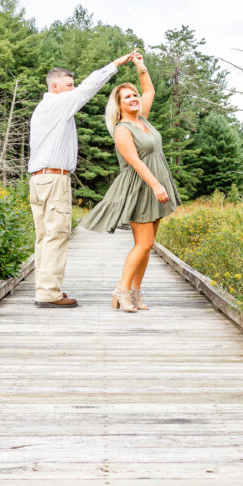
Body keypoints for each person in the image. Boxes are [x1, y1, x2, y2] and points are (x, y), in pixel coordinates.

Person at [28, 50, 136, 308]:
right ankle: (48, 293)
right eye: (69, 85)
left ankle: (45, 288)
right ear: (55, 87)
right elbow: (89, 87)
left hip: (39, 179)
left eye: (72, 85)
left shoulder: (44, 108)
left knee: (44, 237)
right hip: (54, 179)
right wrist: (115, 64)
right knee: (57, 234)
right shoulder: (58, 103)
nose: (73, 89)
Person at [78, 51, 181, 312]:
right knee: (143, 244)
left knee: (148, 245)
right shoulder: (122, 129)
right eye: (127, 97)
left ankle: (135, 293)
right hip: (139, 188)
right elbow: (135, 161)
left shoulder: (142, 118)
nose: (134, 98)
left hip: (154, 185)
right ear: (119, 104)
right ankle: (121, 290)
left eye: (134, 95)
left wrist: (140, 67)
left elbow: (150, 92)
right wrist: (156, 185)